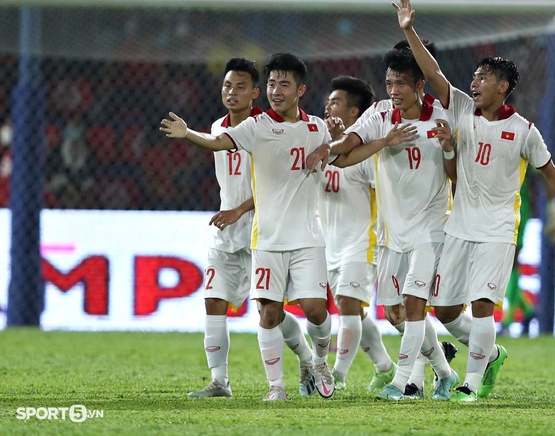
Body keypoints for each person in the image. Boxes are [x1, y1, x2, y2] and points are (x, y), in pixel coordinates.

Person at [393, 0, 555, 402]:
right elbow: (433, 75)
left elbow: (552, 175)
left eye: (483, 78)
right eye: (474, 77)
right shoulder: (462, 110)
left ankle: (469, 383)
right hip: (459, 226)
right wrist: (409, 30)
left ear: (502, 86)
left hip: (499, 230)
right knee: (447, 311)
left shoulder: (524, 130)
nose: (474, 83)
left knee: (483, 304)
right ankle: (492, 355)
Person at [159, 56, 327, 402]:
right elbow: (223, 159)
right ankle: (220, 381)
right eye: (226, 85)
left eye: (239, 86)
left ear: (255, 93)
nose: (231, 92)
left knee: (272, 312)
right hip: (226, 231)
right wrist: (190, 134)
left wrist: (239, 209)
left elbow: (275, 186)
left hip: (260, 230)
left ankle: (308, 359)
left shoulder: (264, 127)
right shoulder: (219, 126)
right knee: (213, 301)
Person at [307, 47, 458, 401]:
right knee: (394, 312)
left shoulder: (442, 117)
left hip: (429, 228)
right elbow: (348, 146)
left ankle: (402, 382)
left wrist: (450, 148)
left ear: (420, 84)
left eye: (401, 83)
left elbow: (454, 174)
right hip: (392, 233)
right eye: (389, 82)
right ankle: (445, 373)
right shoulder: (379, 113)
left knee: (414, 303)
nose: (393, 90)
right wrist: (331, 147)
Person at [320, 75, 397, 392]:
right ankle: (385, 366)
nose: (328, 106)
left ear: (354, 113)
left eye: (335, 102)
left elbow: (390, 193)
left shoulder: (366, 153)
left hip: (363, 242)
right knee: (353, 309)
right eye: (328, 101)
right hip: (331, 244)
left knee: (349, 305)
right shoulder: (323, 148)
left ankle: (336, 376)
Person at [500, 171, 555, 336]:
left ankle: (507, 321)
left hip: (517, 210)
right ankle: (527, 310)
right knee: (500, 265)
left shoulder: (523, 146)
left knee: (510, 261)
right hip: (492, 209)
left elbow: (543, 171)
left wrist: (551, 205)